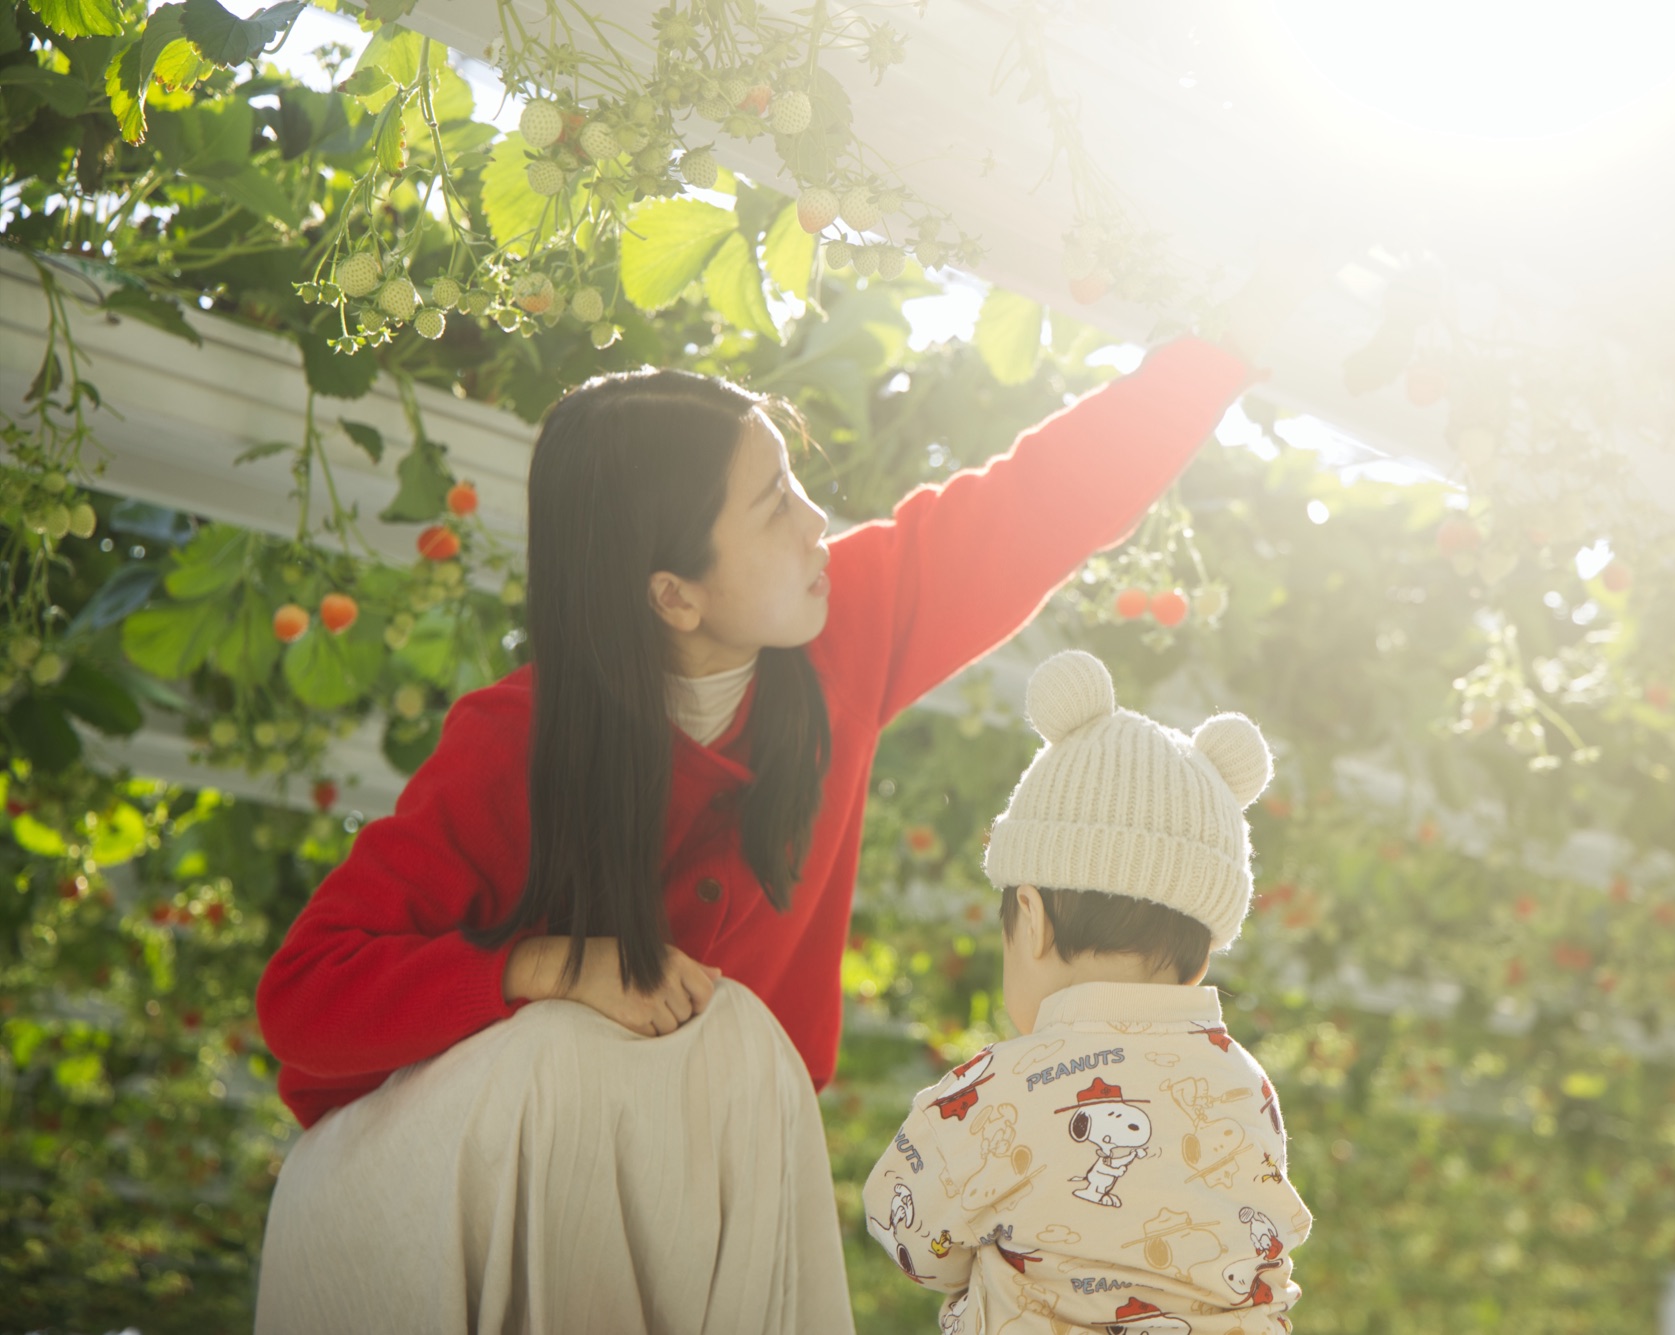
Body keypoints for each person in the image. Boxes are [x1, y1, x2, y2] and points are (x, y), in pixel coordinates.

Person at [250, 324, 1257, 1332]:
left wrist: (1223, 344)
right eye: (774, 503)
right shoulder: (515, 742)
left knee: (736, 1049)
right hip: (456, 1201)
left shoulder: (845, 633)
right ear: (674, 596)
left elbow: (1036, 504)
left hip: (704, 1169)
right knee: (570, 1041)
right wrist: (547, 966)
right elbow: (301, 998)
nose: (817, 521)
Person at [862, 649, 1312, 1333]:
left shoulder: (999, 1091)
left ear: (1031, 920)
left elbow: (909, 1232)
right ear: (1198, 960)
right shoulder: (1245, 1086)